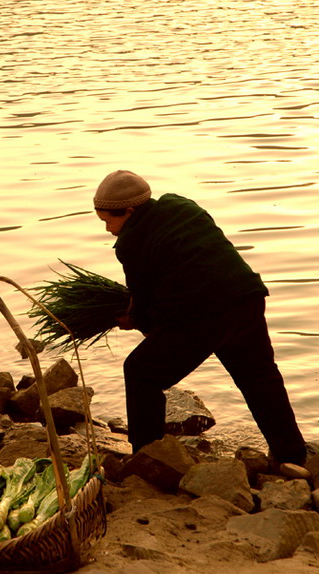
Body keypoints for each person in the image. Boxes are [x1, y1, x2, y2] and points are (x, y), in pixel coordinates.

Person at [93, 169, 309, 474]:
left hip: (206, 316)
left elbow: (146, 303)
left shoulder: (132, 242)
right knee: (260, 378)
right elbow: (191, 271)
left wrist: (133, 319)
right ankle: (292, 455)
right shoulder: (182, 206)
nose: (108, 229)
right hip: (246, 298)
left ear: (129, 211)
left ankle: (147, 457)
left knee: (141, 372)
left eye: (108, 221)